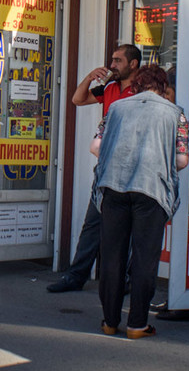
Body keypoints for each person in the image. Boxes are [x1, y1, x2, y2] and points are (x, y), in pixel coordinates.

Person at [89, 64, 188, 338]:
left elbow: (95, 146)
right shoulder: (175, 114)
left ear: (138, 84)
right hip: (151, 189)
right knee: (145, 258)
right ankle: (137, 324)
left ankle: (109, 321)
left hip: (113, 187)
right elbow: (181, 159)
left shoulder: (116, 108)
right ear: (162, 86)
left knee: (112, 255)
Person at [47, 43, 141, 292]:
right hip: (107, 166)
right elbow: (78, 99)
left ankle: (126, 281)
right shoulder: (109, 87)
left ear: (133, 64)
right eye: (112, 60)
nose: (112, 65)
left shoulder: (144, 89)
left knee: (129, 228)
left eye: (118, 60)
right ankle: (76, 276)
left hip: (135, 168)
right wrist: (89, 77)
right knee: (93, 223)